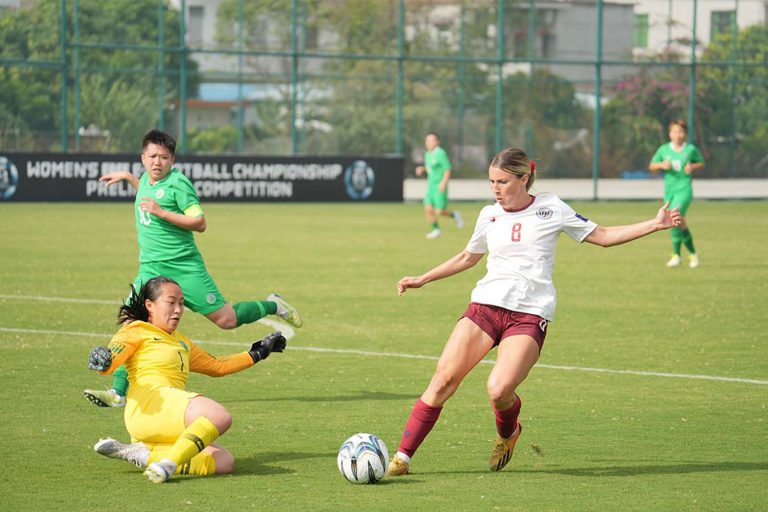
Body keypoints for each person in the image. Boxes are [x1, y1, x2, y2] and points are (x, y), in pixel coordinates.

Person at [386, 147, 682, 476]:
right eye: (491, 182)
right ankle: (402, 458)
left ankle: (508, 433)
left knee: (499, 391)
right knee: (443, 380)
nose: (495, 188)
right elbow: (468, 257)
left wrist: (655, 225)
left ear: (524, 179)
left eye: (502, 181)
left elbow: (604, 236)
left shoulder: (551, 208)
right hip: (484, 307)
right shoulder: (488, 215)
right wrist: (423, 278)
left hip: (527, 316)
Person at [83, 129, 301, 409]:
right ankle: (118, 393)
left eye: (163, 157)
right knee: (132, 324)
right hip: (150, 270)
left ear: (172, 159)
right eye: (152, 156)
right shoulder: (148, 181)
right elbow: (149, 191)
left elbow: (199, 222)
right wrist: (127, 178)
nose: (157, 162)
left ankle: (273, 305)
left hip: (184, 267)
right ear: (142, 158)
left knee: (227, 320)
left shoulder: (179, 183)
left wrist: (162, 213)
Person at [87, 276, 287, 483]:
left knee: (223, 461)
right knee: (218, 415)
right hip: (150, 406)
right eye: (171, 302)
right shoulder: (136, 330)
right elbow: (113, 358)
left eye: (181, 303)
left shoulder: (181, 341)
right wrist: (104, 362)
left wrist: (258, 353)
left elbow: (218, 366)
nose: (178, 310)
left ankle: (143, 454)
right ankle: (167, 465)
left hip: (167, 417)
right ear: (150, 305)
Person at [648, 119, 705, 268]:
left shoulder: (690, 149)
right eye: (674, 131)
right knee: (678, 221)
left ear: (685, 134)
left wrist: (692, 166)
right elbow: (652, 165)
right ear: (670, 133)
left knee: (675, 215)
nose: (677, 134)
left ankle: (677, 255)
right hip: (669, 190)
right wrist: (661, 165)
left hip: (684, 189)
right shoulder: (664, 149)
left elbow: (701, 162)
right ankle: (689, 254)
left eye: (680, 131)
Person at [416, 132, 463, 239]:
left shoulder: (441, 153)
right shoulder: (427, 154)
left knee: (439, 211)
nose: (429, 143)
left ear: (437, 142)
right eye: (427, 140)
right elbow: (430, 168)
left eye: (432, 140)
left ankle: (455, 215)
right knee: (428, 208)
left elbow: (447, 169)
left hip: (439, 186)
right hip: (431, 186)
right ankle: (436, 229)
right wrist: (422, 169)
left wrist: (443, 183)